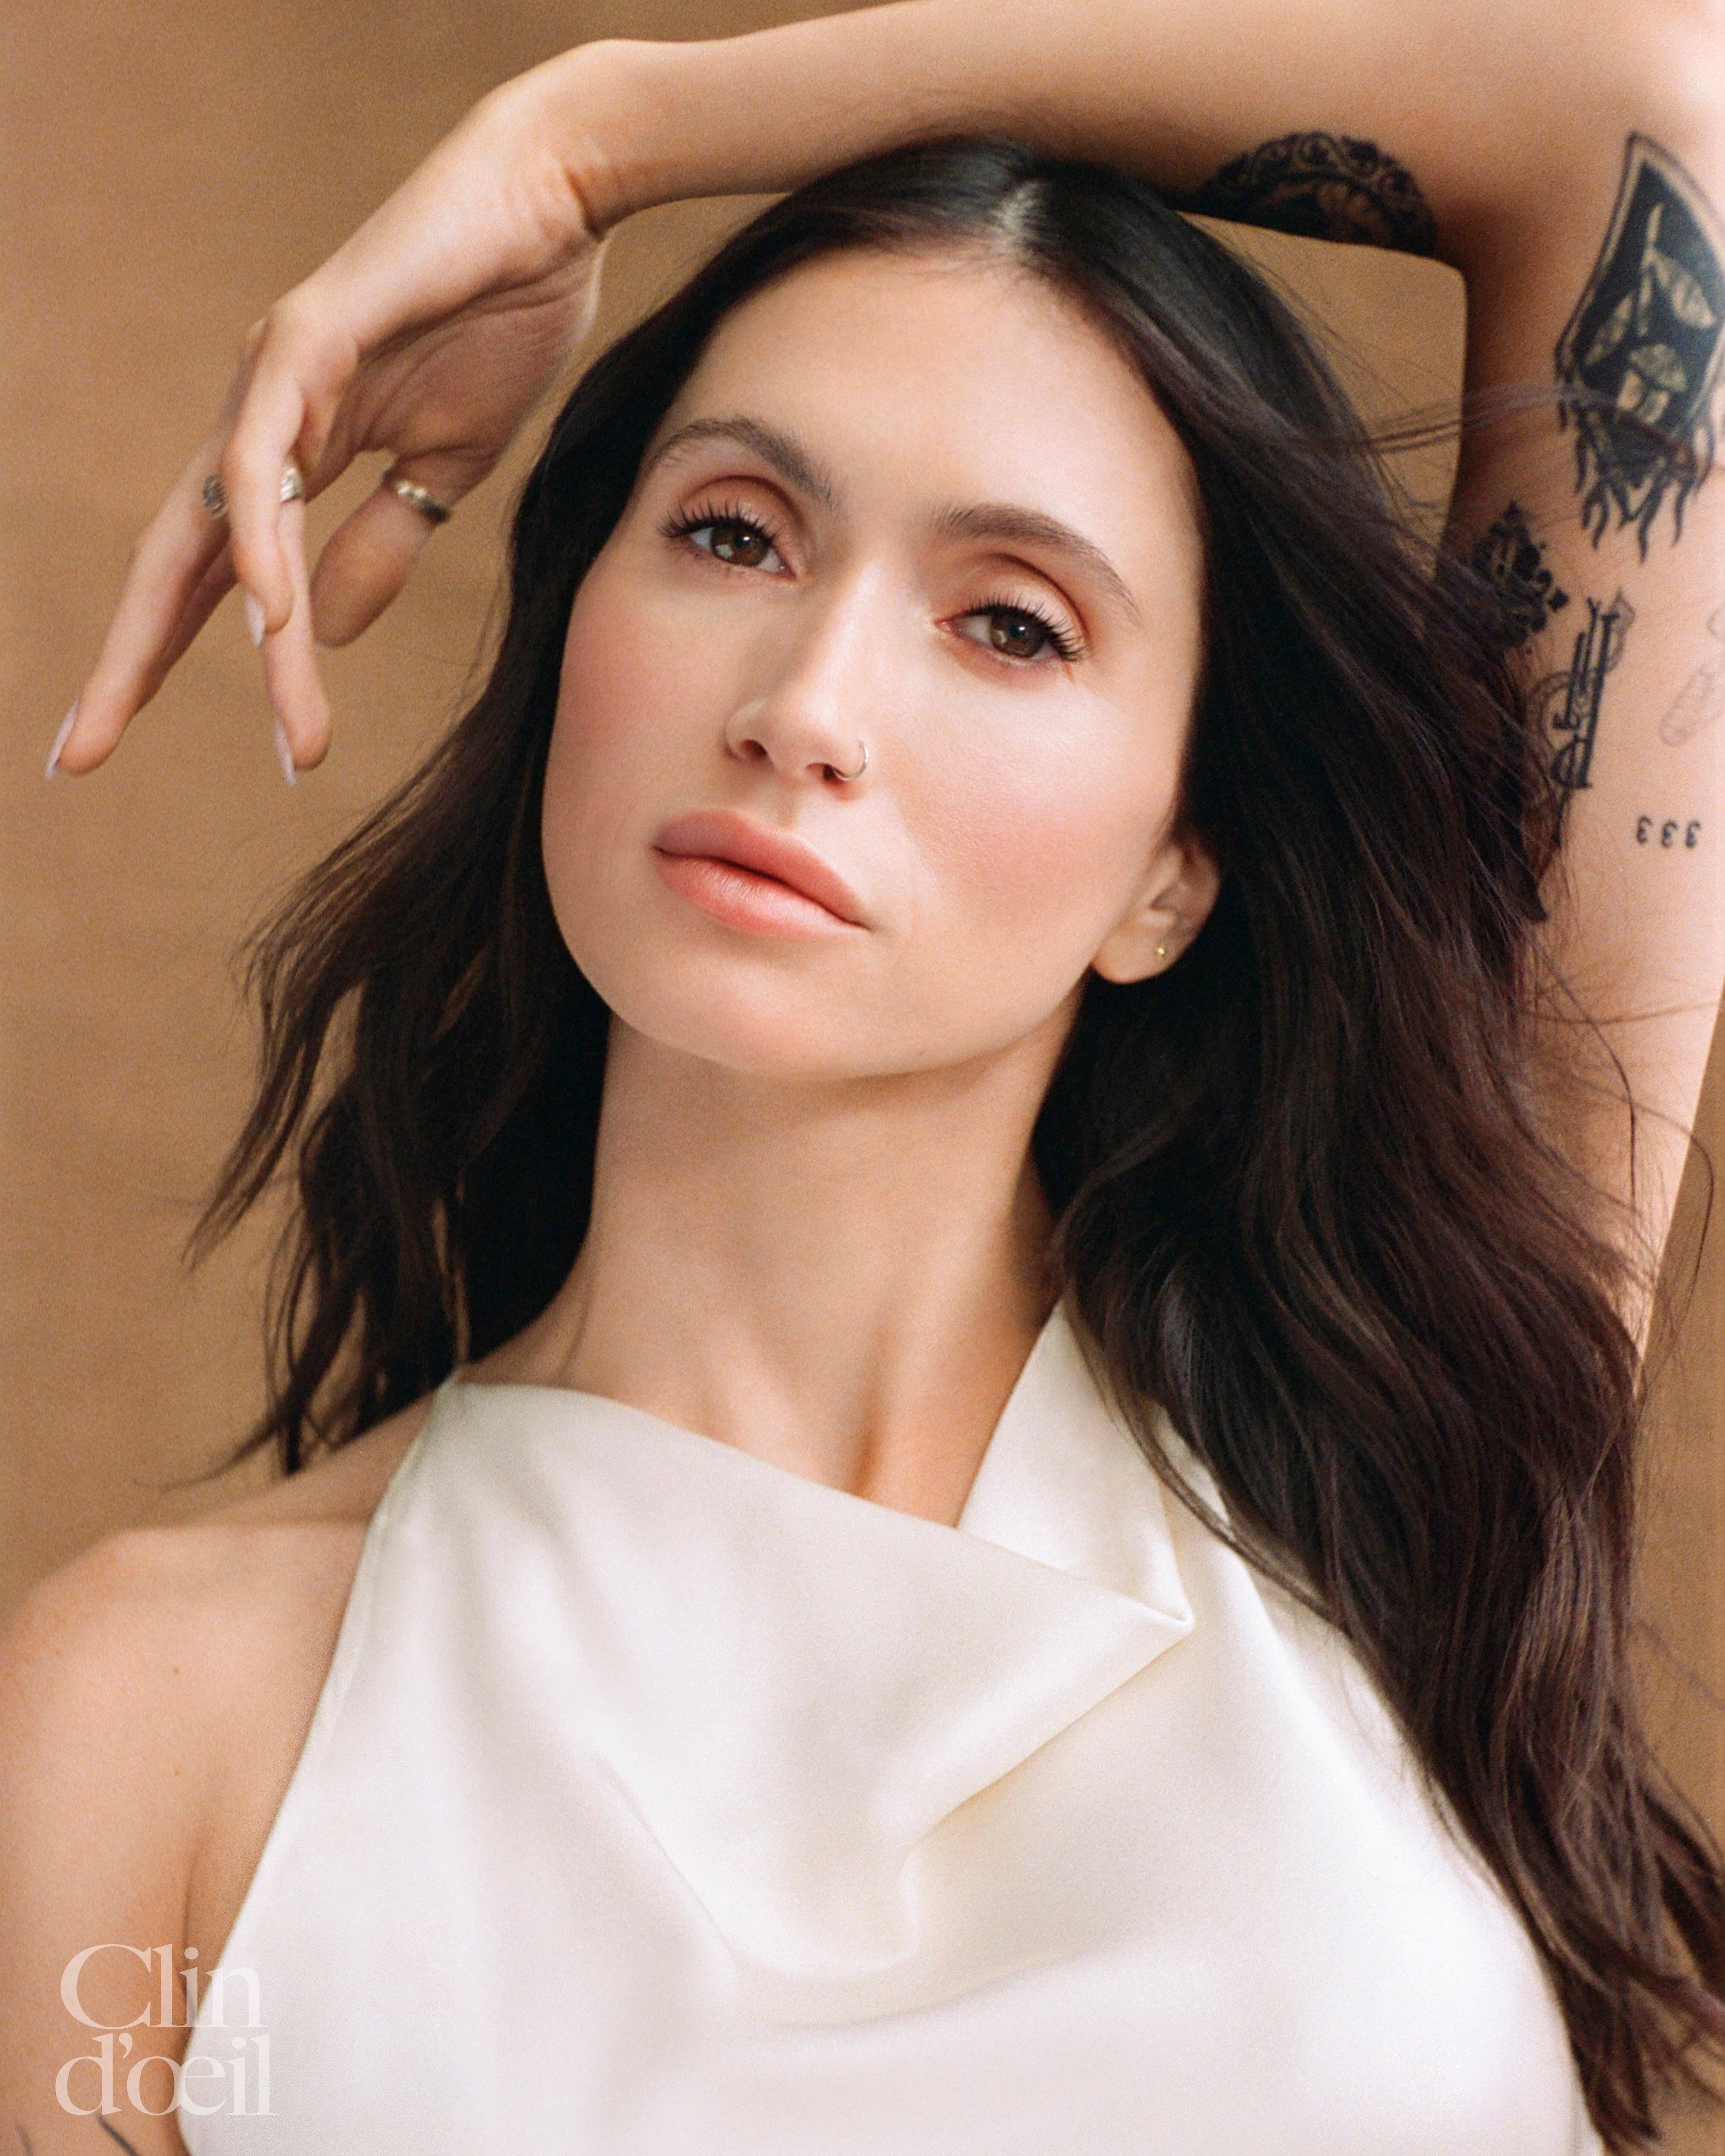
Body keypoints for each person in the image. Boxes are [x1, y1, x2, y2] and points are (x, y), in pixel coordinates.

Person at [5, 3, 1724, 2152]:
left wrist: (602, 136)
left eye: (1010, 623)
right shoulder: (157, 1718)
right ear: (573, 626)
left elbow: (1646, 110)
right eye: (734, 533)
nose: (806, 704)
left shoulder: (1415, 1459)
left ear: (1176, 868)